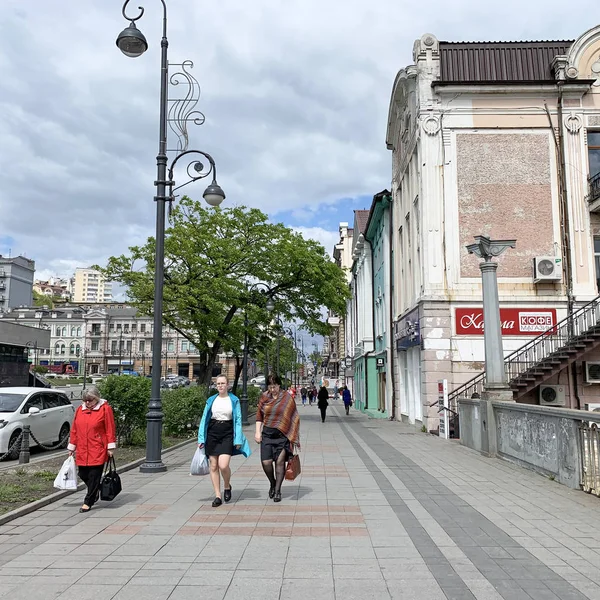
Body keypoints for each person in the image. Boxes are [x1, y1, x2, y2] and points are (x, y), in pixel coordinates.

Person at [198, 375, 251, 507]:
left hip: (227, 433)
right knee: (214, 465)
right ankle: (217, 495)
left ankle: (227, 485)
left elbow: (238, 420)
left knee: (223, 465)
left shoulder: (234, 400)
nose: (220, 386)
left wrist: (237, 439)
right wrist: (201, 438)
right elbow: (204, 419)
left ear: (228, 385)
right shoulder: (211, 400)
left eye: (223, 383)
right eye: (218, 384)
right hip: (213, 433)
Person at [67, 386, 117, 514]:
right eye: (85, 400)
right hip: (83, 448)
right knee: (83, 474)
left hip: (98, 448)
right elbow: (74, 429)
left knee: (94, 476)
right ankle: (95, 490)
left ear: (96, 399)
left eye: (90, 400)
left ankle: (88, 501)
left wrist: (110, 447)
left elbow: (110, 428)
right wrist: (72, 446)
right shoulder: (80, 410)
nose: (87, 403)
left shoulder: (105, 409)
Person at [255, 374, 301, 503]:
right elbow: (259, 416)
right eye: (270, 386)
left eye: (274, 386)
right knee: (266, 462)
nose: (272, 389)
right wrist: (257, 432)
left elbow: (294, 417)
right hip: (267, 435)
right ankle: (273, 482)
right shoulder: (264, 397)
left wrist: (292, 435)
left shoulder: (287, 397)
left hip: (282, 436)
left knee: (280, 463)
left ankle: (278, 491)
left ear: (279, 385)